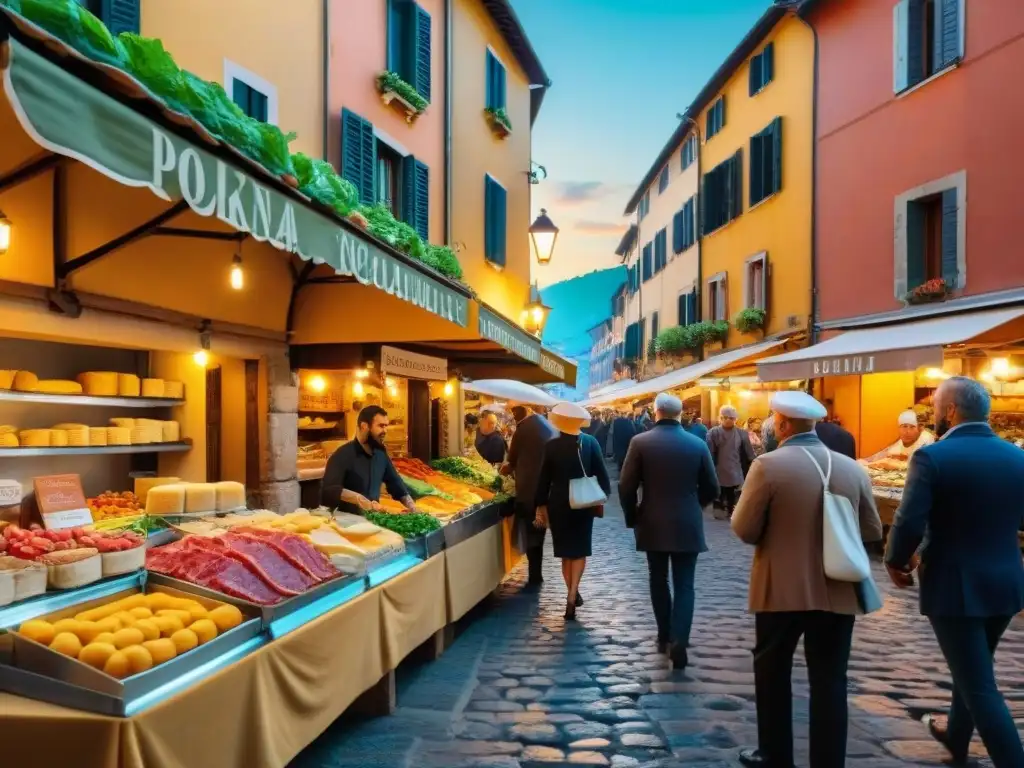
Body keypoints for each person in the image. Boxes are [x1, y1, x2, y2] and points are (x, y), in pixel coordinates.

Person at [731, 391, 884, 768]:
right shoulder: (851, 468)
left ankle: (774, 753)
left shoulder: (767, 465)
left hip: (779, 589)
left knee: (772, 671)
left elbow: (744, 529)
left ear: (782, 425)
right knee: (831, 679)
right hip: (838, 588)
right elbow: (871, 530)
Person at [885, 377, 1024, 767]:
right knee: (974, 663)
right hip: (1006, 581)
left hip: (956, 582)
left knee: (979, 685)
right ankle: (956, 737)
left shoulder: (934, 457)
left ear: (950, 411)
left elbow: (909, 520)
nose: (932, 415)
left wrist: (896, 559)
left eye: (935, 408)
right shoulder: (1017, 457)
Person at [618, 393, 719, 669]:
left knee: (658, 578)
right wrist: (695, 504)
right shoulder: (697, 443)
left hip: (652, 520)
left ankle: (664, 633)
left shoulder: (640, 442)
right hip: (687, 521)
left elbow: (626, 487)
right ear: (680, 413)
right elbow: (713, 486)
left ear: (656, 412)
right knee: (685, 584)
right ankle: (680, 639)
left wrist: (632, 516)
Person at [535, 402, 611, 620]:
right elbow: (603, 477)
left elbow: (543, 480)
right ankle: (572, 594)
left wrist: (540, 505)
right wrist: (601, 495)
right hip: (584, 503)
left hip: (558, 502)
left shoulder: (551, 446)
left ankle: (571, 592)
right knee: (579, 550)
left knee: (565, 553)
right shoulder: (591, 443)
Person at [321, 405, 417, 514]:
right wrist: (359, 499)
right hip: (346, 520)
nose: (385, 431)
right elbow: (329, 489)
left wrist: (412, 506)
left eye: (386, 426)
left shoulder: (381, 454)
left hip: (374, 518)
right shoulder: (342, 454)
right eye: (381, 426)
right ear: (364, 426)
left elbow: (396, 484)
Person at [502, 404, 558, 588]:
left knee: (532, 531)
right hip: (547, 489)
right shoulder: (547, 425)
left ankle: (535, 574)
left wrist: (503, 471)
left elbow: (511, 461)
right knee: (538, 530)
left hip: (528, 490)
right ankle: (536, 572)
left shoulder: (523, 430)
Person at [706, 405, 755, 518]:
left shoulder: (741, 433)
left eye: (731, 418)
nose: (728, 420)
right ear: (720, 418)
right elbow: (709, 452)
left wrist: (753, 463)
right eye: (725, 417)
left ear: (735, 419)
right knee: (719, 491)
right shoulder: (713, 433)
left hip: (735, 467)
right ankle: (719, 510)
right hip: (719, 467)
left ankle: (732, 511)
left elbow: (749, 452)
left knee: (734, 491)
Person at [861, 409, 934, 462]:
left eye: (912, 427)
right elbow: (880, 456)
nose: (907, 432)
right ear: (899, 428)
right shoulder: (899, 441)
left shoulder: (926, 438)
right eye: (904, 426)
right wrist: (866, 462)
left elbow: (920, 462)